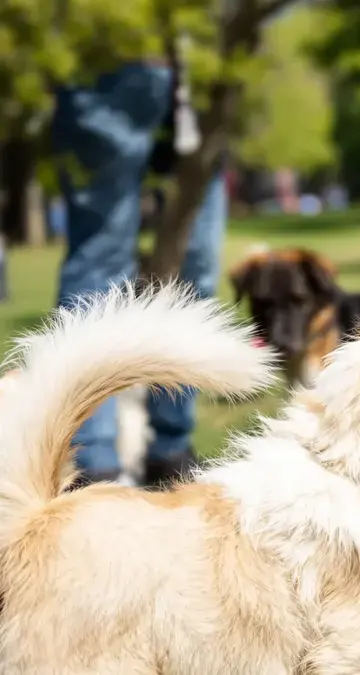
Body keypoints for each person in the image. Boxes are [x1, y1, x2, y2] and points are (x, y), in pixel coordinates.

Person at [51, 57, 227, 488]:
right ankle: (91, 460)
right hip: (112, 52)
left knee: (196, 268)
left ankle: (171, 450)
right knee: (100, 260)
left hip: (199, 67)